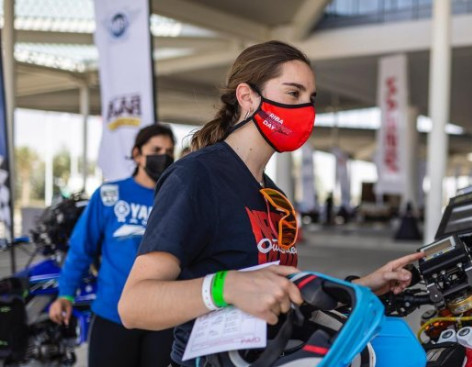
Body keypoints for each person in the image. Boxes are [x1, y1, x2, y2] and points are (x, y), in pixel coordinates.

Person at [118, 41, 423, 367]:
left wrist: (362, 287)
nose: (307, 108)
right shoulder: (195, 177)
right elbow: (134, 306)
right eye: (293, 94)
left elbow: (279, 290)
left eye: (311, 99)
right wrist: (226, 287)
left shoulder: (272, 195)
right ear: (247, 97)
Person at [49, 124, 177, 367]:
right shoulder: (110, 194)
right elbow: (81, 247)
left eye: (169, 151)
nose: (164, 157)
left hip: (163, 317)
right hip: (113, 314)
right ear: (137, 154)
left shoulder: (176, 197)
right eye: (156, 149)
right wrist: (66, 293)